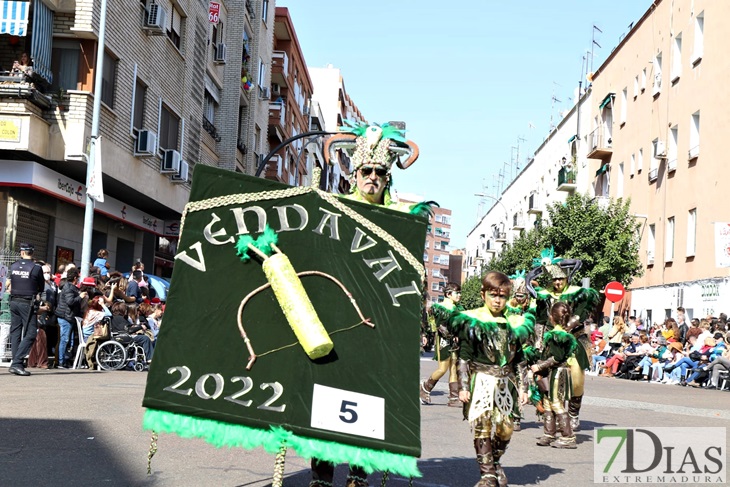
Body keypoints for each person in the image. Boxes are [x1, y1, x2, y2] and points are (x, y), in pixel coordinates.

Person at [312, 121, 424, 487]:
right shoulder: (336, 209)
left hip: (378, 325)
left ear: (387, 177)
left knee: (368, 400)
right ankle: (322, 472)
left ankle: (358, 473)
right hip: (338, 318)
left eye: (379, 172)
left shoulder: (402, 221)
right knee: (327, 397)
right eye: (366, 171)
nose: (372, 177)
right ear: (355, 174)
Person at [452, 271, 534, 487]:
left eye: (502, 296)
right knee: (482, 425)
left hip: (506, 383)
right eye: (493, 295)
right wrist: (462, 386)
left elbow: (519, 359)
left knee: (505, 429)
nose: (497, 300)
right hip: (480, 380)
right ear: (483, 294)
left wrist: (525, 387)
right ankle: (487, 474)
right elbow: (464, 357)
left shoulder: (515, 322)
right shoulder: (473, 320)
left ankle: (496, 462)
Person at [525, 247, 599, 431]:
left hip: (575, 339)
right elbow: (540, 320)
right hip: (551, 341)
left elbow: (581, 315)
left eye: (560, 278)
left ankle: (573, 412)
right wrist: (538, 342)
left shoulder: (578, 293)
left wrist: (565, 330)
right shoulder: (544, 295)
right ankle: (557, 414)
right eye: (554, 279)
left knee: (576, 379)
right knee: (549, 378)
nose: (557, 282)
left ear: (567, 278)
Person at [528, 301, 579, 449]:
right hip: (552, 372)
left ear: (552, 317)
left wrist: (539, 366)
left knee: (556, 403)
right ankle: (549, 433)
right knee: (547, 402)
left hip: (558, 372)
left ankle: (568, 436)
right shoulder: (560, 334)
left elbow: (556, 357)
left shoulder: (558, 335)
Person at [420, 282, 464, 407]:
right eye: (457, 293)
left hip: (455, 342)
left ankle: (454, 397)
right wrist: (452, 336)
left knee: (454, 368)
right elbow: (440, 326)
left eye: (460, 293)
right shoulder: (439, 308)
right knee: (442, 368)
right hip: (444, 341)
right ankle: (425, 388)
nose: (459, 295)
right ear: (448, 294)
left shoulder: (459, 309)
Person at [6, 243, 45, 376]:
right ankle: (17, 363)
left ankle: (15, 363)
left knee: (16, 331)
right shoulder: (36, 268)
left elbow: (11, 281)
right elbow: (41, 286)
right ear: (31, 253)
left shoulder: (13, 266)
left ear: (22, 252)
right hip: (27, 302)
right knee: (31, 332)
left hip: (14, 301)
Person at [55, 267, 88, 368]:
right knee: (64, 339)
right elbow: (70, 302)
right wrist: (80, 297)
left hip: (69, 316)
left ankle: (65, 360)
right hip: (65, 316)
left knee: (68, 340)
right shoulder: (69, 288)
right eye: (77, 277)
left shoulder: (71, 287)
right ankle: (61, 362)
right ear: (74, 277)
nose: (78, 279)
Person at [27, 263, 57, 369]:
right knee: (40, 337)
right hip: (39, 313)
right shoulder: (39, 285)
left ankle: (34, 361)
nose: (47, 274)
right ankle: (40, 361)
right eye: (45, 272)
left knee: (39, 338)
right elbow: (38, 299)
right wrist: (44, 307)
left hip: (46, 313)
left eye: (48, 272)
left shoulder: (51, 285)